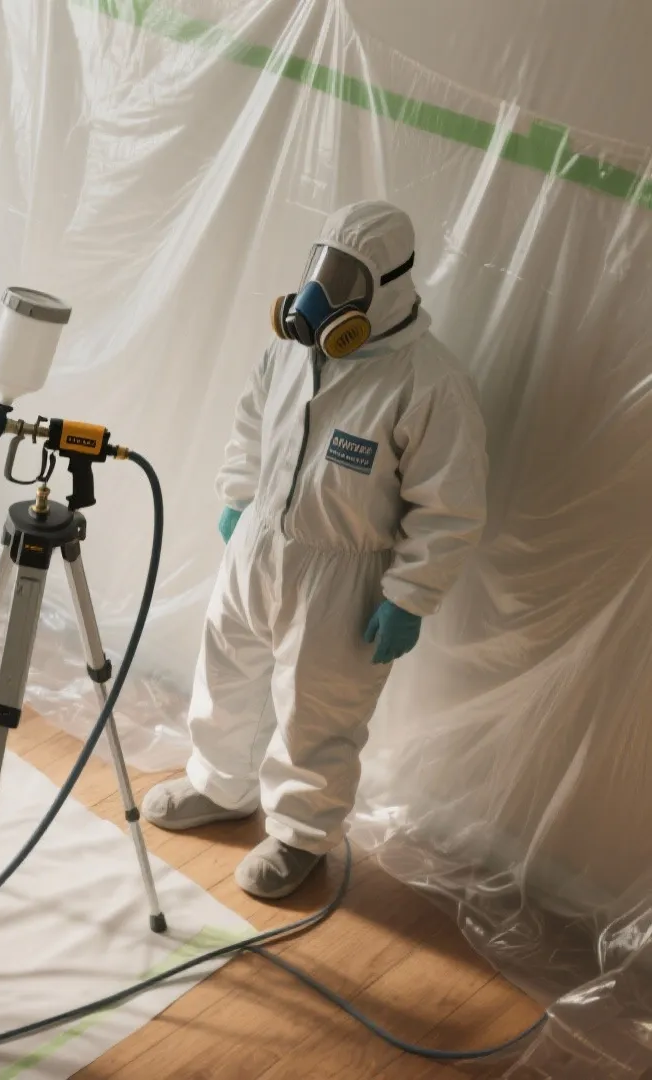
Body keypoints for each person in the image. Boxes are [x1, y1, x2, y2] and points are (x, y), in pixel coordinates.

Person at [142, 200, 488, 899]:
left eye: (346, 278)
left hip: (345, 573)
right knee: (227, 669)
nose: (322, 295)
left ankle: (300, 836)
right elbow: (250, 425)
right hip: (259, 547)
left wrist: (409, 596)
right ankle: (219, 784)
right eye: (322, 267)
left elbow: (448, 506)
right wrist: (239, 498)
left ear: (387, 286)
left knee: (318, 707)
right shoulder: (290, 349)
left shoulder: (429, 382)